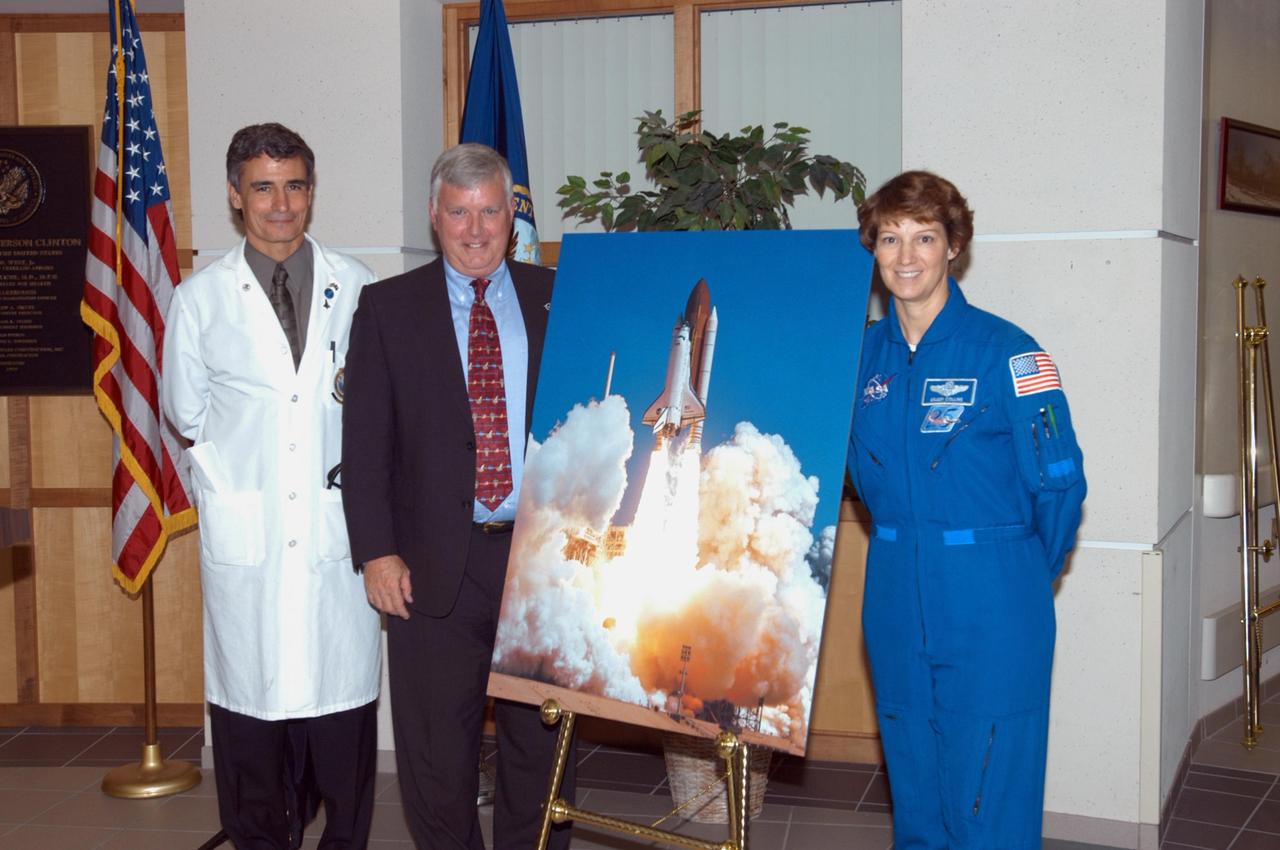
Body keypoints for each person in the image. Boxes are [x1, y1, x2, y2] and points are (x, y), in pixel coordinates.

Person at [341, 143, 574, 850]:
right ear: (436, 217)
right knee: (437, 756)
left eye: (490, 211)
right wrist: (376, 553)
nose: (475, 229)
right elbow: (365, 445)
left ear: (512, 216)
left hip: (541, 566)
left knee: (543, 751)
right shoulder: (387, 309)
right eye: (459, 212)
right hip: (431, 567)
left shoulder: (556, 297)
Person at [848, 170, 1086, 848]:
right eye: (890, 238)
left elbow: (1061, 489)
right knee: (917, 795)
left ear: (954, 246)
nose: (906, 257)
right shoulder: (860, 358)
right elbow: (858, 474)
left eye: (925, 237)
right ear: (873, 247)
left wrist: (1013, 572)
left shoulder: (1010, 354)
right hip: (894, 588)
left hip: (993, 597)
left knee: (988, 799)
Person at [162, 123, 380, 849]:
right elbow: (185, 414)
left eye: (294, 186)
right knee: (252, 727)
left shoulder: (360, 289)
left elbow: (379, 414)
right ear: (235, 196)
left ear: (311, 193)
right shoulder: (200, 300)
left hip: (334, 538)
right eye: (263, 187)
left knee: (340, 727)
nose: (280, 203)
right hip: (249, 545)